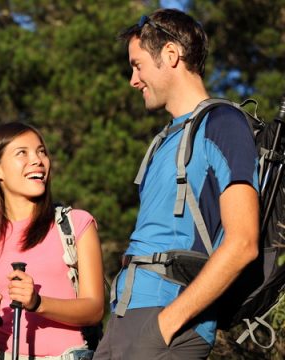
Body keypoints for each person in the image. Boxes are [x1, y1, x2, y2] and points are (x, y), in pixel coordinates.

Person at [94, 8, 259, 359]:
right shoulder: (166, 138)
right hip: (125, 320)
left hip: (165, 322)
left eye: (137, 65)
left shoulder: (223, 123)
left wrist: (167, 324)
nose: (133, 80)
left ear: (171, 55)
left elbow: (243, 241)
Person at [0, 122, 105, 359]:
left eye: (41, 151)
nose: (37, 160)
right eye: (22, 153)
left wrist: (38, 303)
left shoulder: (75, 225)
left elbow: (95, 308)